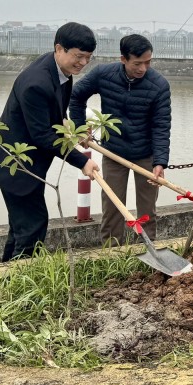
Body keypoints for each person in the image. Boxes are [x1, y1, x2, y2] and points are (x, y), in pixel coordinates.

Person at [0, 22, 100, 261]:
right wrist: (82, 162)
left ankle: (5, 277)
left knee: (22, 227)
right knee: (32, 227)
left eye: (88, 58)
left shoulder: (61, 71)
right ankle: (18, 281)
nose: (83, 63)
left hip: (28, 163)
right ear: (59, 48)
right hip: (15, 164)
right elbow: (43, 135)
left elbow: (55, 116)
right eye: (78, 57)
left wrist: (73, 131)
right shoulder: (36, 83)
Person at [70, 34, 171, 243]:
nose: (143, 68)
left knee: (147, 211)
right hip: (113, 151)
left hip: (146, 154)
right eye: (137, 63)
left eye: (148, 62)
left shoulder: (159, 85)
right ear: (123, 59)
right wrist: (79, 128)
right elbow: (76, 96)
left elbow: (161, 125)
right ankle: (111, 252)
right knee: (112, 206)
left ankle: (146, 248)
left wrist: (160, 161)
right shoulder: (103, 74)